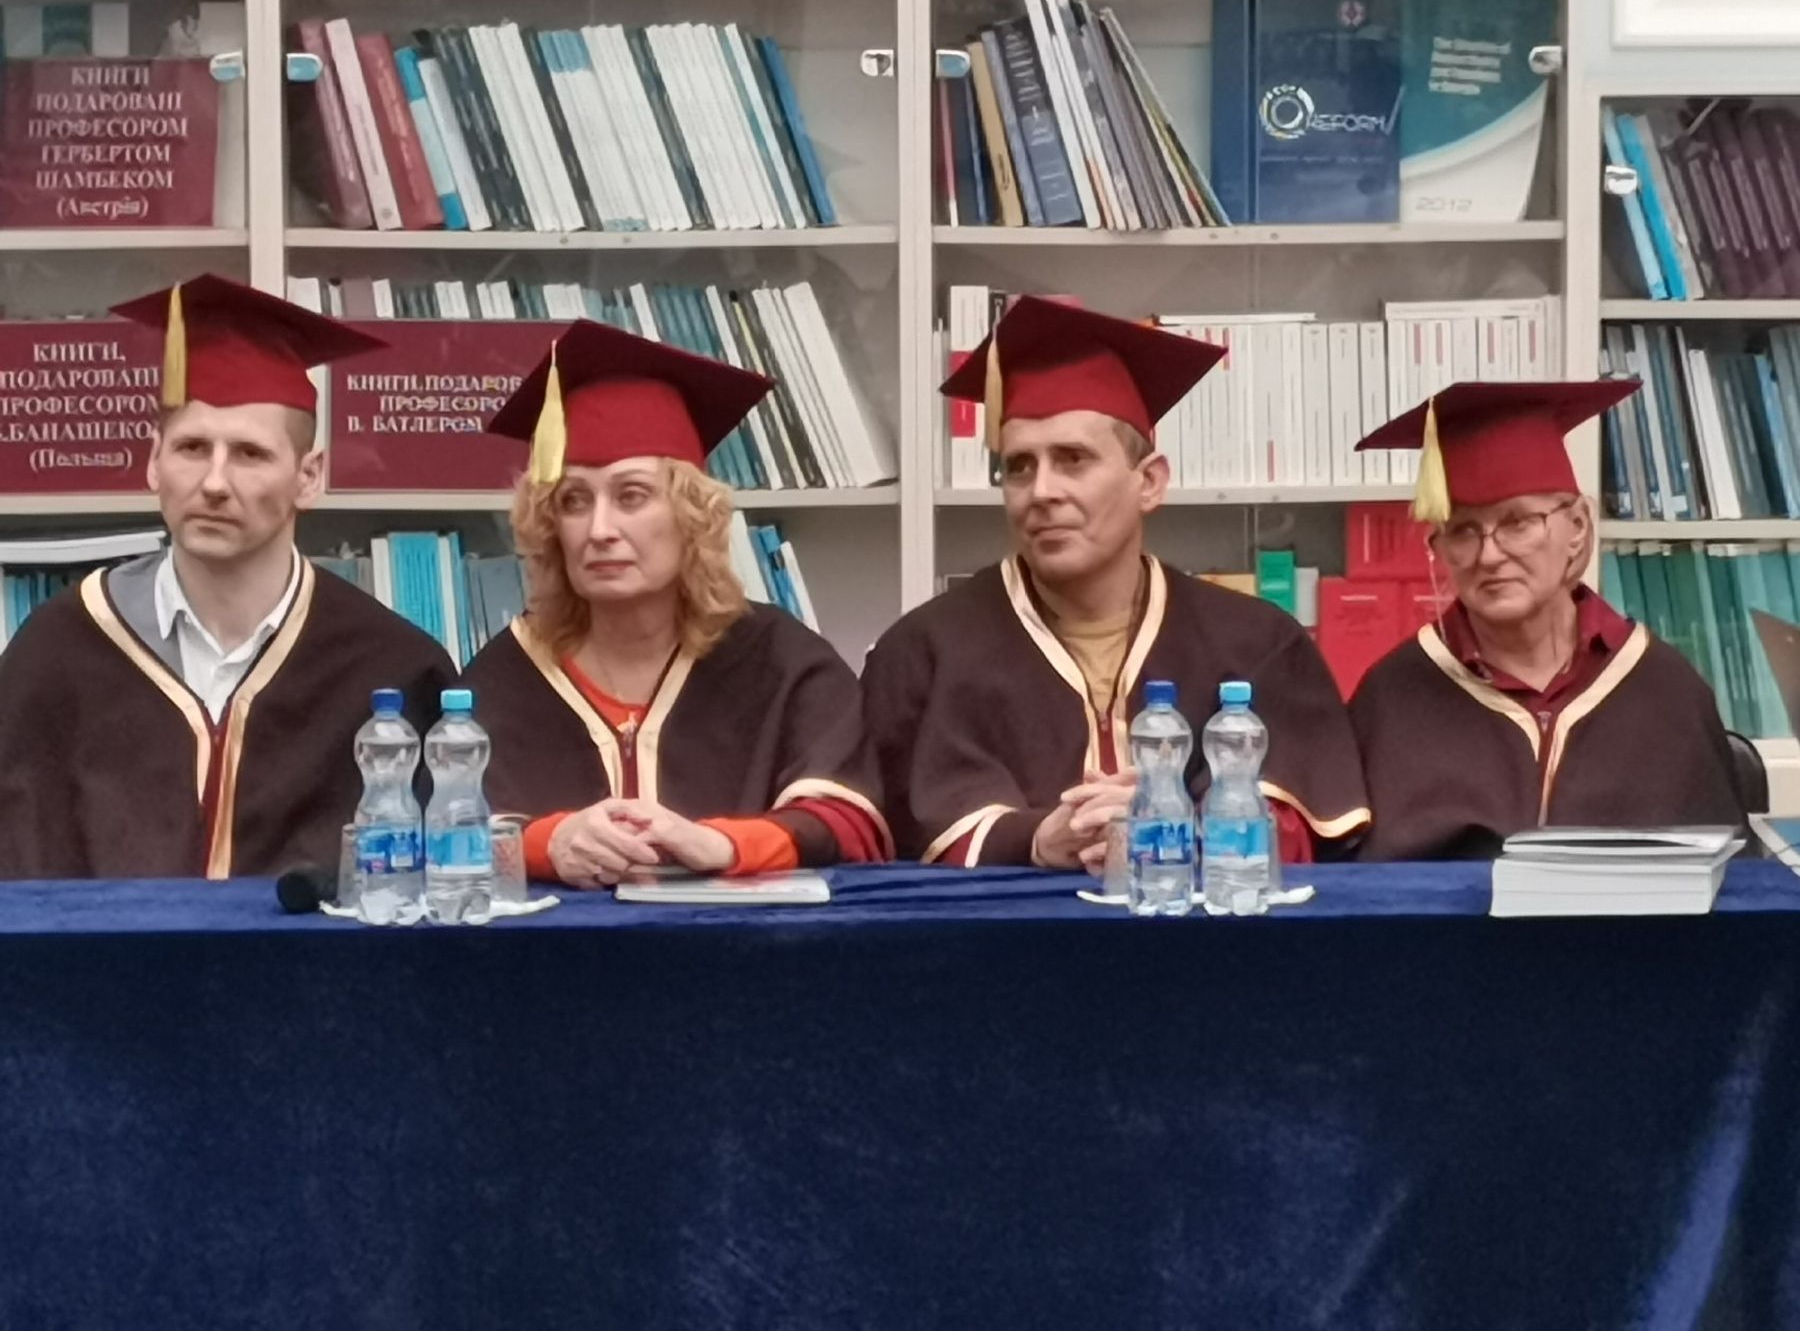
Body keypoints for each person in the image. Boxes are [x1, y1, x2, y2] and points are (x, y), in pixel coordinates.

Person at [862, 296, 1370, 871]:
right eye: (1019, 466)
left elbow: (1302, 823)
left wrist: (1184, 827)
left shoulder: (1258, 644)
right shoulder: (925, 653)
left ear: (1149, 483)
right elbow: (890, 834)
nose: (1042, 491)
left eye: (1072, 459)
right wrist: (1035, 839)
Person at [0, 274, 454, 881]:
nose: (214, 483)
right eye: (192, 448)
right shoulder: (59, 651)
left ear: (309, 477)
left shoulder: (390, 666)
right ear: (153, 461)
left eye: (249, 453)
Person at [461, 319, 888, 885]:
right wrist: (546, 843)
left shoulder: (780, 663)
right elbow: (442, 829)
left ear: (692, 516)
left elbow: (848, 820)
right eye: (574, 501)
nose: (600, 530)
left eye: (632, 496)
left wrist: (721, 844)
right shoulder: (507, 676)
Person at [1348, 381, 1747, 860]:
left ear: (1576, 528)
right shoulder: (1392, 697)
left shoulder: (1664, 689)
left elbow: (1731, 884)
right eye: (1463, 531)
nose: (1489, 555)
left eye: (1517, 523)